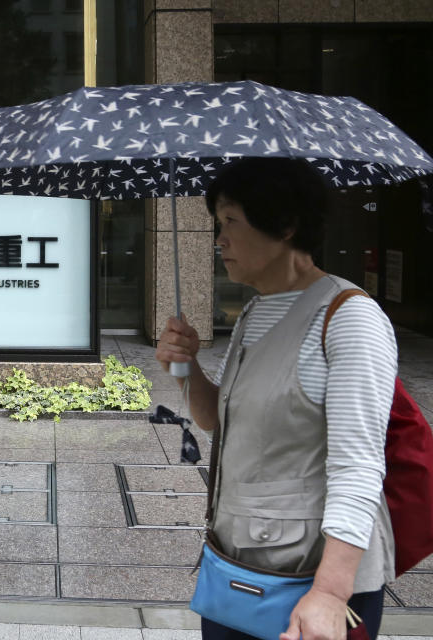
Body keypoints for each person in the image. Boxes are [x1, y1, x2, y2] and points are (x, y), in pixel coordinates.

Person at [155, 158, 396, 640]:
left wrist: (329, 594)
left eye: (230, 222)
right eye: (215, 223)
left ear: (286, 226)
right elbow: (218, 420)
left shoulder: (349, 319)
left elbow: (359, 465)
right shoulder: (256, 309)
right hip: (237, 562)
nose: (218, 238)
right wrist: (184, 367)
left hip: (308, 579)